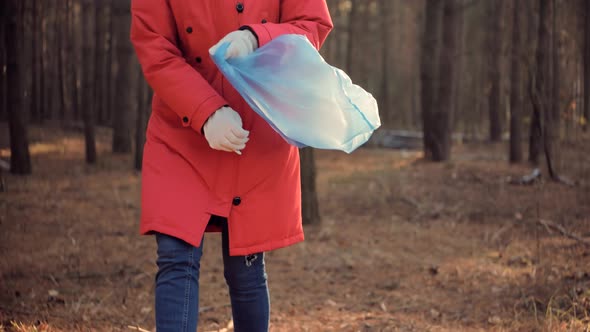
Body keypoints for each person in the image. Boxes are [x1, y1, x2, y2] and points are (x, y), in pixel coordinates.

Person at [129, 1, 333, 331]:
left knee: (246, 266)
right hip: (181, 131)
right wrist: (205, 110)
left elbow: (312, 26)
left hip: (255, 134)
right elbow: (155, 46)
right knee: (175, 257)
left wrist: (258, 37)